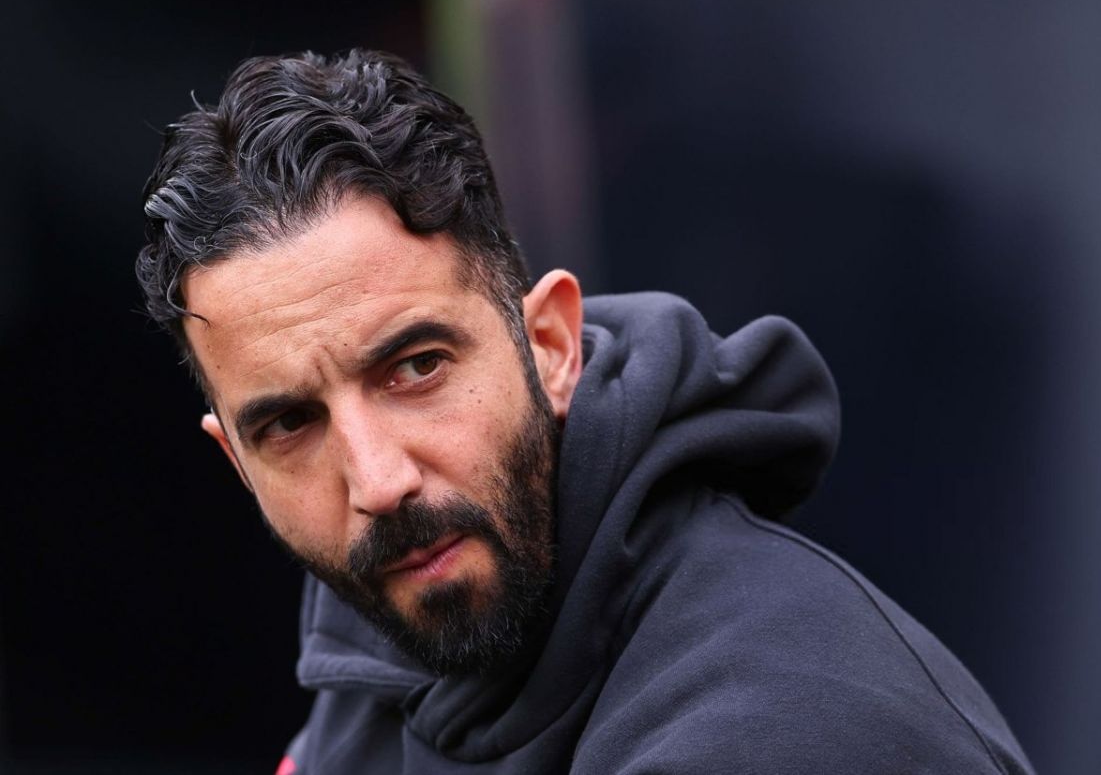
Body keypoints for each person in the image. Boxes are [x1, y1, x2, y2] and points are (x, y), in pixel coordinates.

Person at [136, 49, 1034, 774]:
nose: (377, 481)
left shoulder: (792, 726)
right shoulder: (378, 661)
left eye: (417, 367)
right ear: (238, 465)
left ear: (552, 346)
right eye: (291, 426)